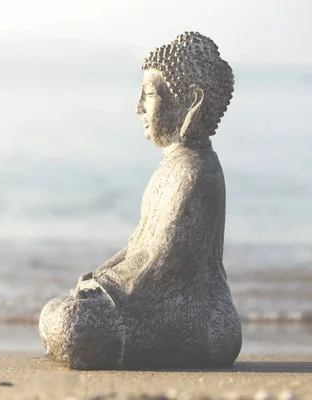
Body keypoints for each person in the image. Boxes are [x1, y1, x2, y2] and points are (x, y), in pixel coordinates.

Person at [38, 32, 242, 370]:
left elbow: (162, 263)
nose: (138, 108)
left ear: (191, 102)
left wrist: (106, 289)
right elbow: (138, 247)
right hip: (157, 303)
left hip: (199, 321)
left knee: (72, 325)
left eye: (147, 95)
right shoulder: (171, 166)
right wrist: (98, 277)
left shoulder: (196, 173)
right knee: (59, 313)